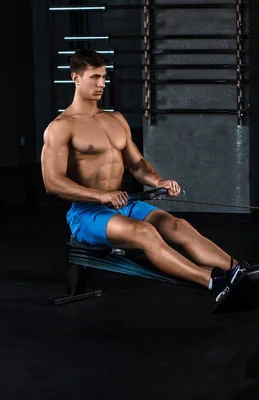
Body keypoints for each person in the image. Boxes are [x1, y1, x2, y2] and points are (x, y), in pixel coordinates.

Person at [41, 49, 244, 302]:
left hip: (126, 205)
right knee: (145, 233)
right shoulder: (61, 127)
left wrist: (158, 181)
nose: (101, 84)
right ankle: (212, 282)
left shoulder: (115, 119)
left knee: (177, 226)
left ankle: (240, 272)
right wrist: (101, 196)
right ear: (76, 78)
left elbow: (137, 165)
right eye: (94, 77)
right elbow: (53, 182)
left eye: (104, 77)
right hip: (88, 213)